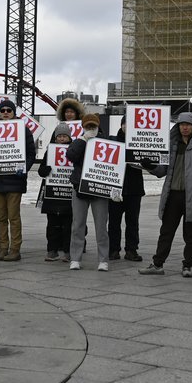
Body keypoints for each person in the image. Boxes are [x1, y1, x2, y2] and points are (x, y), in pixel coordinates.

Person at [140, 112, 192, 277]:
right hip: (173, 195)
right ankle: (157, 264)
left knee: (191, 234)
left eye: (188, 124)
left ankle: (187, 265)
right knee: (166, 232)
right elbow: (162, 171)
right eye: (182, 124)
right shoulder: (171, 145)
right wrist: (150, 166)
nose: (185, 127)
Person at [0, 98, 36, 261]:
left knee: (13, 217)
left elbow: (31, 154)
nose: (6, 113)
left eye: (9, 110)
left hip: (15, 180)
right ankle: (3, 248)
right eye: (3, 110)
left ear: (14, 113)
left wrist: (25, 168)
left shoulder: (23, 130)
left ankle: (15, 249)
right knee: (0, 217)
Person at [66, 112, 112, 270]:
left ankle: (103, 260)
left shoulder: (106, 141)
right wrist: (83, 139)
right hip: (80, 188)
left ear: (98, 126)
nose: (91, 128)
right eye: (88, 126)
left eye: (93, 125)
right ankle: (75, 258)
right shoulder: (79, 141)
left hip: (99, 189)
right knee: (77, 225)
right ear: (83, 127)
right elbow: (70, 155)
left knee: (101, 227)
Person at [39, 98, 83, 260]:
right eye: (59, 136)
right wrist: (45, 170)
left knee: (68, 224)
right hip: (52, 193)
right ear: (55, 137)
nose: (62, 139)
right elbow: (41, 170)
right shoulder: (50, 151)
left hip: (68, 193)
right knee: (52, 225)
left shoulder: (75, 151)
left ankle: (67, 251)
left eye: (65, 136)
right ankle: (52, 250)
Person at [107, 124, 154, 263]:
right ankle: (113, 249)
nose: (127, 127)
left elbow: (151, 163)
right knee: (114, 222)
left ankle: (131, 250)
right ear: (121, 125)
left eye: (130, 124)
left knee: (132, 222)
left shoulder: (141, 142)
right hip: (116, 187)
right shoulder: (112, 141)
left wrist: (148, 162)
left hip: (134, 188)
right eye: (125, 124)